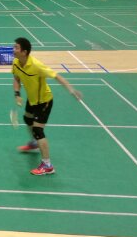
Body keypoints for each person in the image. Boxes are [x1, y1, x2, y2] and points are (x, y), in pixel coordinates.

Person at [11, 37, 83, 176]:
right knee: (27, 119)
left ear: (24, 52)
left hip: (44, 101)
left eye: (16, 47)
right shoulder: (16, 62)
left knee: (38, 130)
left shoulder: (37, 65)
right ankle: (34, 144)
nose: (13, 50)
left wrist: (71, 90)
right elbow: (16, 78)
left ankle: (47, 165)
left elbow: (56, 76)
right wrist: (17, 93)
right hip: (32, 99)